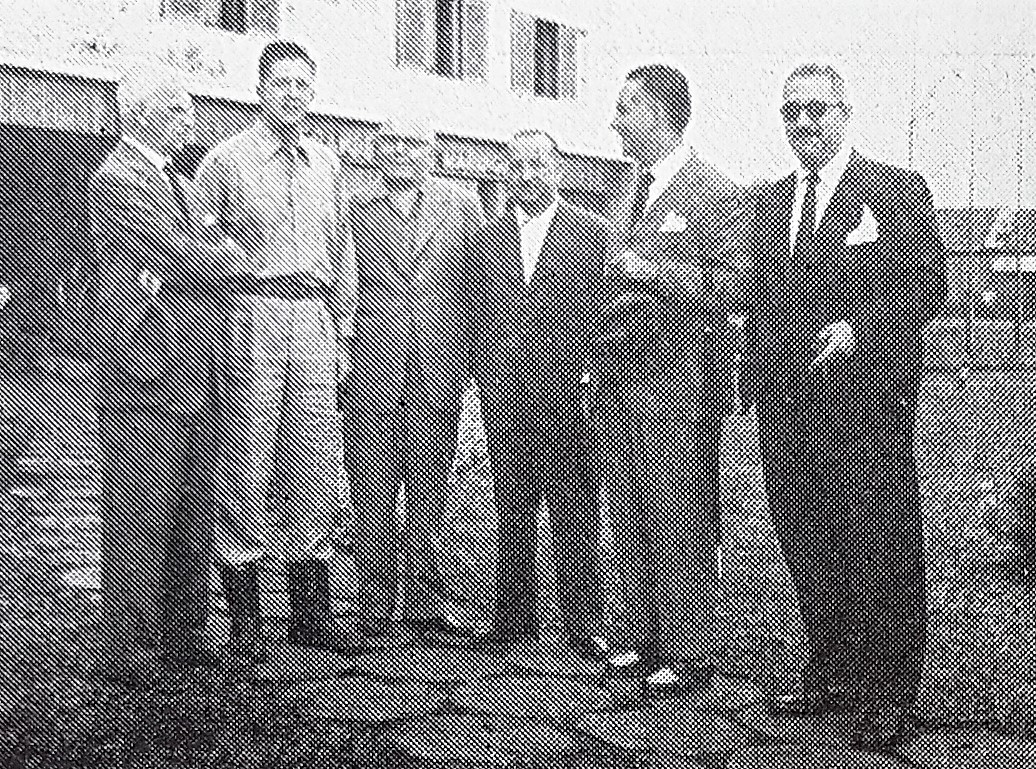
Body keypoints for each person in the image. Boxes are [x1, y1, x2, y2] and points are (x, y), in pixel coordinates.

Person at [742, 63, 946, 749]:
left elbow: (926, 286)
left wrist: (860, 327)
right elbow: (760, 299)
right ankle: (832, 669)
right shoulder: (771, 202)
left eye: (816, 110)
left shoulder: (893, 188)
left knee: (877, 546)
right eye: (791, 111)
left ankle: (889, 694)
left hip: (864, 406)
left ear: (845, 113)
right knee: (808, 541)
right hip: (787, 407)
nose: (802, 123)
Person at [197, 41, 357, 660]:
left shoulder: (328, 164)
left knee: (317, 484)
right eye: (281, 84)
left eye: (303, 86)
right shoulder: (227, 161)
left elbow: (341, 248)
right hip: (251, 327)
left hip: (316, 334)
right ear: (261, 89)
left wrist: (339, 328)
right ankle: (244, 627)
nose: (293, 95)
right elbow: (201, 239)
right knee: (252, 481)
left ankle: (308, 624)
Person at [86, 66, 247, 680]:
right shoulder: (118, 178)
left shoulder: (186, 178)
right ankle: (136, 635)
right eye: (171, 111)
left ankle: (189, 626)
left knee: (190, 507)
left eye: (184, 111)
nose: (184, 121)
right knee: (137, 507)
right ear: (137, 116)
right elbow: (126, 267)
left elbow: (211, 257)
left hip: (189, 359)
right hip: (133, 362)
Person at [596, 64, 749, 697]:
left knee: (685, 525)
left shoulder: (715, 191)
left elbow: (726, 280)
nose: (616, 123)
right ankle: (641, 640)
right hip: (626, 378)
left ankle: (689, 653)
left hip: (687, 379)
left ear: (664, 116)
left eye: (627, 111)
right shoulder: (626, 187)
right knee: (635, 520)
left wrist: (648, 273)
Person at [468, 129, 610, 660]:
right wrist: (480, 388)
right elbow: (477, 311)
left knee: (577, 514)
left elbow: (603, 313)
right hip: (505, 395)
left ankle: (582, 623)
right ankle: (512, 615)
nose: (528, 175)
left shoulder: (591, 232)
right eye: (518, 165)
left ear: (558, 170)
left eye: (539, 165)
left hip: (571, 396)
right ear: (508, 171)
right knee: (514, 511)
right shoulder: (490, 234)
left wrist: (591, 377)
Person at [345, 119, 483, 639]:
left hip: (439, 374)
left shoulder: (463, 205)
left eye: (417, 143)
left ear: (434, 151)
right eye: (394, 144)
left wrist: (470, 372)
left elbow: (477, 293)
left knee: (431, 496)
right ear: (375, 151)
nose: (405, 152)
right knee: (370, 498)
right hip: (368, 372)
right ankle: (376, 606)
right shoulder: (354, 206)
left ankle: (428, 605)